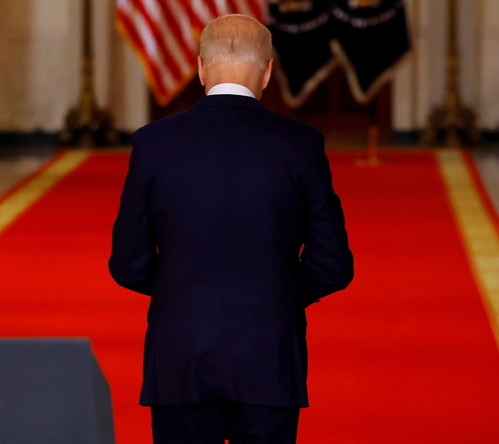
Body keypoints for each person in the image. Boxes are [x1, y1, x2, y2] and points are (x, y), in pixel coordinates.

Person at [108, 14, 354, 444]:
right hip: (268, 352)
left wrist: (178, 287)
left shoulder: (153, 142)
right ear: (268, 72)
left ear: (201, 68)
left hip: (180, 352)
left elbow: (128, 263)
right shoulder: (301, 144)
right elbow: (333, 265)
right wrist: (278, 291)